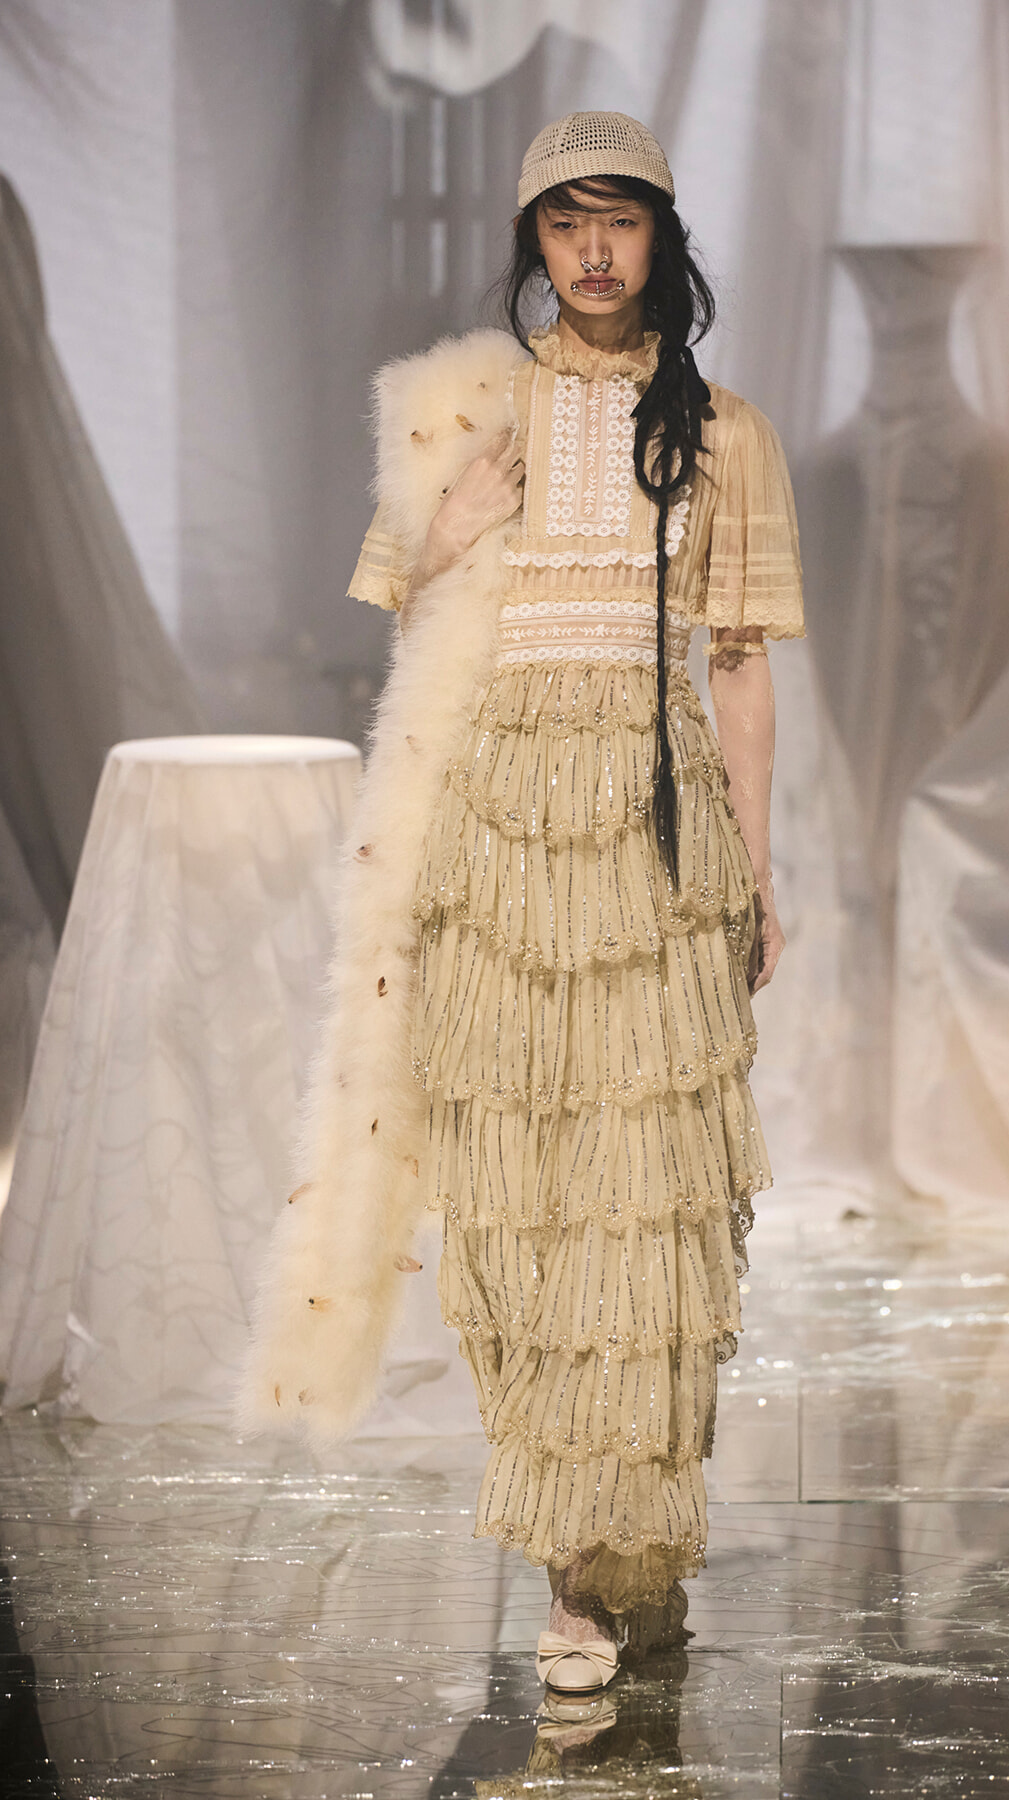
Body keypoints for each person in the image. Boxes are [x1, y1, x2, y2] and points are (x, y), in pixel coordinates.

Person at [243, 110, 804, 1696]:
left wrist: (762, 872)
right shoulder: (466, 411)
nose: (597, 252)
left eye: (623, 223)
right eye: (568, 225)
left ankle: (628, 1547)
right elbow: (403, 625)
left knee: (659, 1197)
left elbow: (741, 665)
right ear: (534, 245)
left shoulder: (728, 432)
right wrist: (450, 531)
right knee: (526, 1198)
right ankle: (576, 1562)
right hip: (498, 836)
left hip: (653, 827)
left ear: (665, 245)